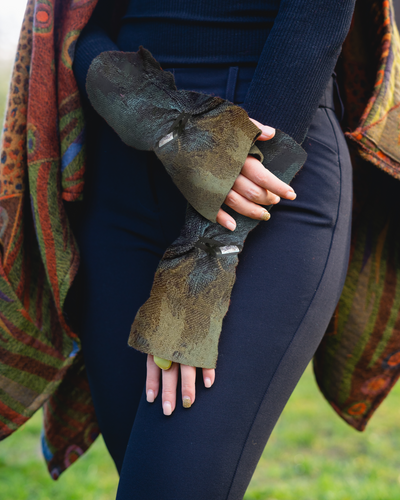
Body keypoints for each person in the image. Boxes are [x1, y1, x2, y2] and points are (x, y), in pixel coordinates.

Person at [66, 0, 355, 498]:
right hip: (123, 162)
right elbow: (74, 27)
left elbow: (316, 18)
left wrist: (206, 253)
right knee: (146, 474)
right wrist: (163, 121)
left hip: (271, 156)